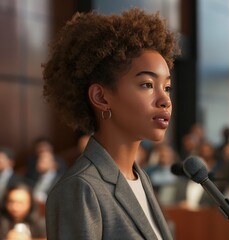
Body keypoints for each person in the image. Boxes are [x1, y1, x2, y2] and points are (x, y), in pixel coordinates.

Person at [42, 8, 180, 239]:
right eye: (147, 85)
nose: (165, 100)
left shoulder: (140, 178)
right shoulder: (81, 188)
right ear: (101, 97)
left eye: (166, 87)